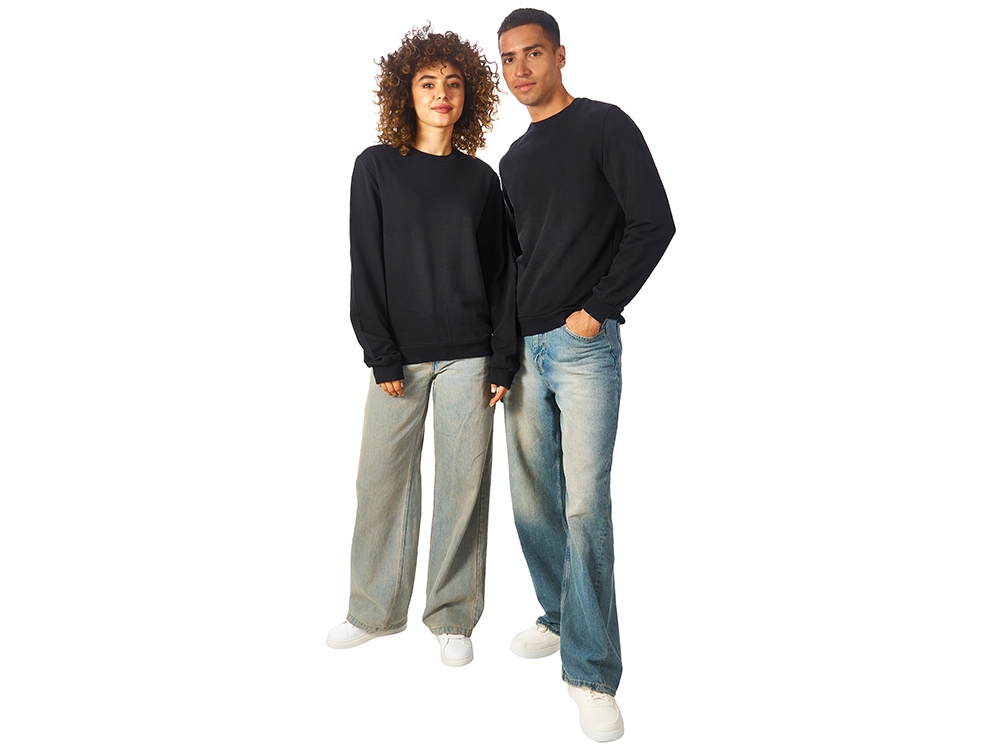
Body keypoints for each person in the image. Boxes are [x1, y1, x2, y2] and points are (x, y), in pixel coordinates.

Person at [496, 8, 676, 742]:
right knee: (533, 502)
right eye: (509, 59)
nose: (521, 69)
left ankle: (592, 672)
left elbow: (654, 222)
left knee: (582, 507)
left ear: (560, 55)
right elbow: (511, 264)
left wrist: (597, 310)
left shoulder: (605, 125)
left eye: (533, 53)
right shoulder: (512, 161)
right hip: (523, 350)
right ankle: (558, 613)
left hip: (583, 347)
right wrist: (504, 353)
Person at [326, 24, 517, 668]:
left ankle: (453, 616)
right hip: (399, 357)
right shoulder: (376, 167)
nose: (442, 94)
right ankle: (374, 611)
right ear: (405, 92)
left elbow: (502, 275)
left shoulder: (481, 180)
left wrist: (503, 356)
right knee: (380, 481)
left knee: (463, 487)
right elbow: (365, 264)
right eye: (428, 82)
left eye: (454, 84)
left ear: (469, 96)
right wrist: (380, 350)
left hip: (471, 354)